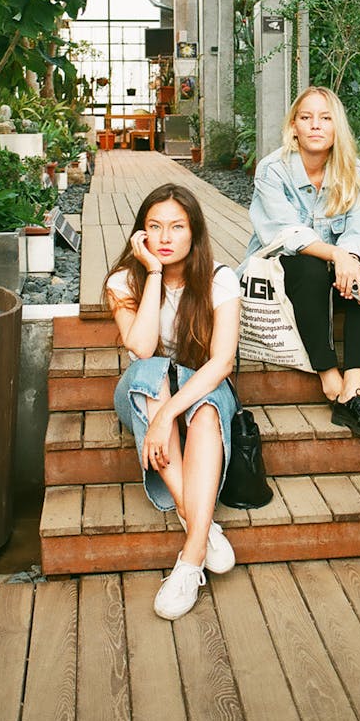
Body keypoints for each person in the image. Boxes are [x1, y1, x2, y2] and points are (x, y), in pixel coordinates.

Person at [104, 183, 241, 620]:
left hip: (198, 393)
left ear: (194, 233)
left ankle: (190, 557)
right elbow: (142, 348)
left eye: (177, 227)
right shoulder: (124, 280)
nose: (165, 238)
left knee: (204, 408)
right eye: (154, 227)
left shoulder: (220, 279)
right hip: (143, 392)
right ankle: (201, 522)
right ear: (140, 235)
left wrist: (167, 414)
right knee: (150, 373)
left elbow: (221, 363)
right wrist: (155, 274)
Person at [242, 86, 360, 437]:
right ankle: (329, 378)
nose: (315, 126)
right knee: (309, 268)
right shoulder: (272, 170)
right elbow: (285, 236)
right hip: (285, 273)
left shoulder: (352, 171)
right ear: (294, 126)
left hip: (335, 275)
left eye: (325, 118)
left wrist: (349, 257)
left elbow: (358, 232)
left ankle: (352, 392)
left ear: (336, 126)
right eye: (306, 118)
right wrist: (337, 254)